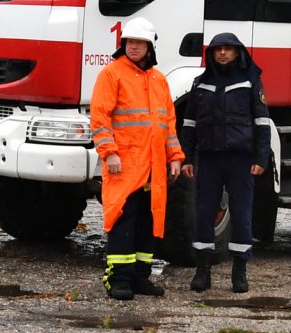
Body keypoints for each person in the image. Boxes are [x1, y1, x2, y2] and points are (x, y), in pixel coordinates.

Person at [88, 17, 184, 301]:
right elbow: (100, 118)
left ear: (149, 47)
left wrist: (175, 157)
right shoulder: (112, 74)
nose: (133, 47)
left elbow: (168, 124)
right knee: (122, 220)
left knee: (147, 222)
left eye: (139, 43)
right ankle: (118, 280)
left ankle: (141, 277)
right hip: (125, 166)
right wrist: (110, 153)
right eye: (130, 42)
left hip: (153, 168)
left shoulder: (159, 81)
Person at [178, 33, 273, 294]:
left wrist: (261, 158)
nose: (222, 54)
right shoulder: (201, 82)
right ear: (211, 54)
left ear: (237, 52)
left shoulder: (251, 80)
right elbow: (189, 124)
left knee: (241, 215)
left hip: (240, 160)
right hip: (208, 159)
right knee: (203, 214)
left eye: (227, 49)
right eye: (218, 49)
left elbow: (262, 122)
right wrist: (186, 157)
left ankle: (239, 272)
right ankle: (202, 272)